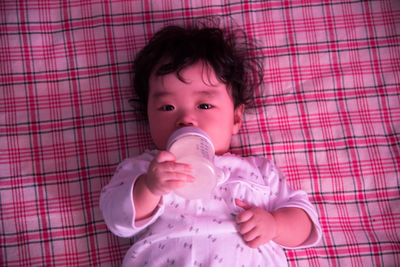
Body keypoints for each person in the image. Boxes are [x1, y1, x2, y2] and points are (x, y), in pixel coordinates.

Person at [100, 24, 322, 266]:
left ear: (236, 118)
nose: (186, 119)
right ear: (148, 117)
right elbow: (117, 220)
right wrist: (150, 188)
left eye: (204, 105)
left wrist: (275, 224)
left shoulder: (259, 171)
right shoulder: (144, 169)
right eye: (167, 107)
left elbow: (305, 222)